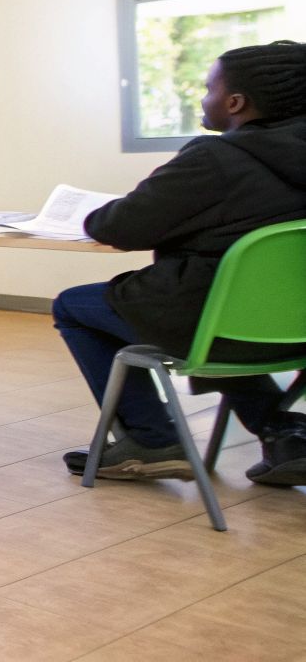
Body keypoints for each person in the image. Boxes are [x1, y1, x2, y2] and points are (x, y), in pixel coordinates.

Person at [57, 40, 306, 485]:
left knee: (75, 306)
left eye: (209, 87)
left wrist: (96, 214)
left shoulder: (215, 159)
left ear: (235, 102)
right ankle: (284, 430)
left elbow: (120, 227)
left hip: (216, 329)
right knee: (214, 316)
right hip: (295, 336)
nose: (202, 97)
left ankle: (153, 441)